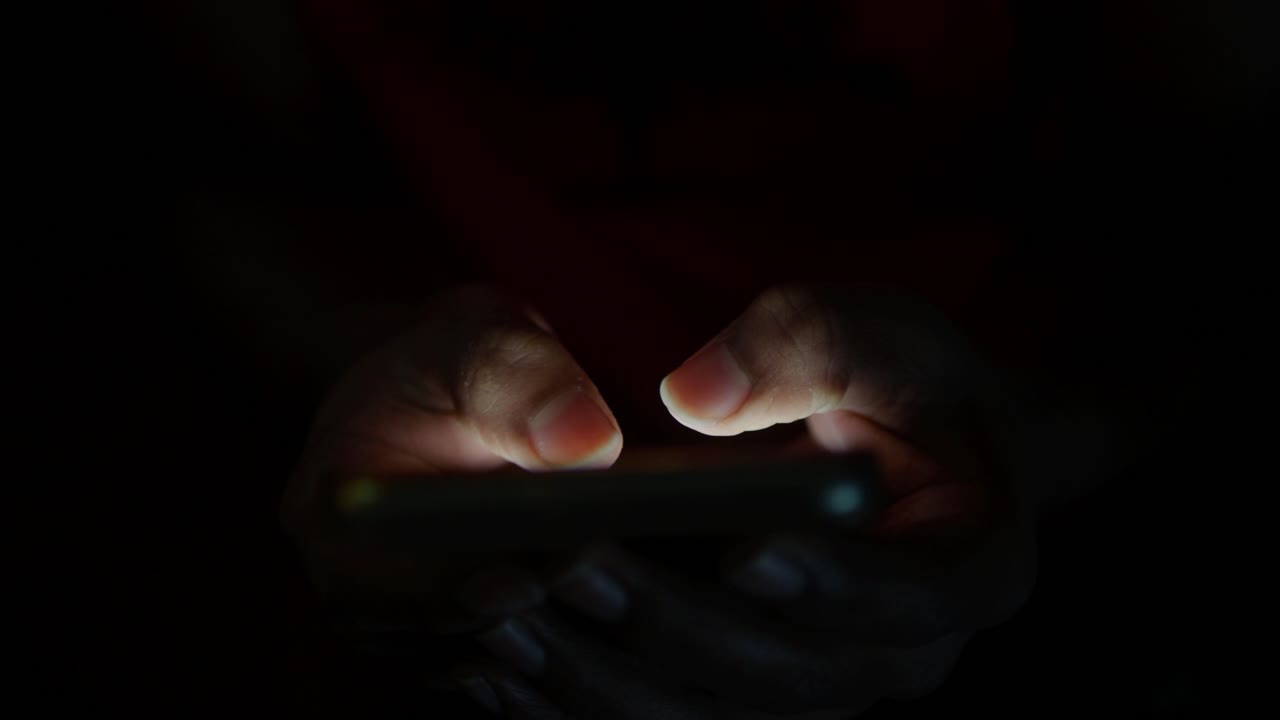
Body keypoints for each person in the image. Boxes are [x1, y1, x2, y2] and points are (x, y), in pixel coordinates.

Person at [121, 0, 1267, 716]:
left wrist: (1029, 426)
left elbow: (1210, 186)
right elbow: (229, 160)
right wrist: (354, 359)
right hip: (464, 615)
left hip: (1077, 526)